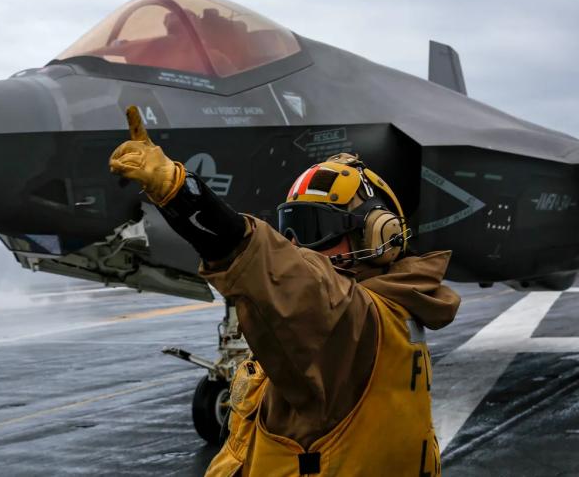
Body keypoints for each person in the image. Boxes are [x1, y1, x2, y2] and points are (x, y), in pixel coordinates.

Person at [110, 106, 460, 476]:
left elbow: (279, 270)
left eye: (313, 228)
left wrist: (181, 193)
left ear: (378, 235)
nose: (295, 243)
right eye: (288, 228)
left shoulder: (350, 322)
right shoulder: (382, 315)